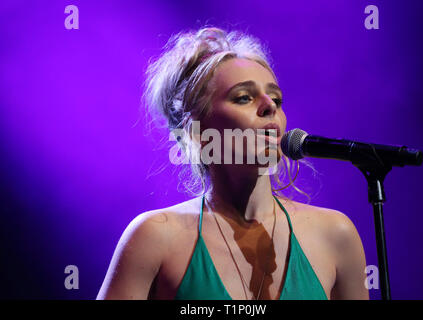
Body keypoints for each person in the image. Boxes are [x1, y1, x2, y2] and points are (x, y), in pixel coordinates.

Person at [97, 27, 369, 300]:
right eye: (243, 97)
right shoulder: (154, 237)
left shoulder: (336, 235)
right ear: (197, 131)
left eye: (275, 98)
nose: (269, 106)